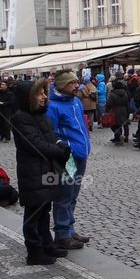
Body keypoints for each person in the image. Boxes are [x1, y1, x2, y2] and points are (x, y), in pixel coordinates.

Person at [12, 78, 71, 265]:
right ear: (29, 97)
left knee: (44, 208)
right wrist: (59, 151)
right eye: (40, 93)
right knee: (34, 212)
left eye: (45, 93)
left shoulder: (39, 115)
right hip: (33, 172)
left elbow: (51, 138)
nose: (44, 97)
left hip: (45, 170)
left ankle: (47, 243)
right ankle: (34, 251)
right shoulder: (21, 117)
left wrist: (61, 145)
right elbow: (35, 145)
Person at [46, 70, 92, 250]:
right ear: (62, 85)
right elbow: (51, 133)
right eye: (72, 83)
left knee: (73, 195)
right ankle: (62, 234)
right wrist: (66, 149)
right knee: (64, 195)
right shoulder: (53, 107)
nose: (76, 86)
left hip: (81, 155)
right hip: (68, 158)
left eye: (76, 82)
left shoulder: (76, 102)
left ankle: (70, 230)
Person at [106, 78, 131, 145]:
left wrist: (107, 111)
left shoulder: (112, 94)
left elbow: (109, 104)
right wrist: (128, 111)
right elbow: (127, 103)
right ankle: (124, 137)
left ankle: (119, 136)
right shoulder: (125, 93)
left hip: (115, 111)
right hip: (124, 110)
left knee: (114, 125)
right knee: (123, 124)